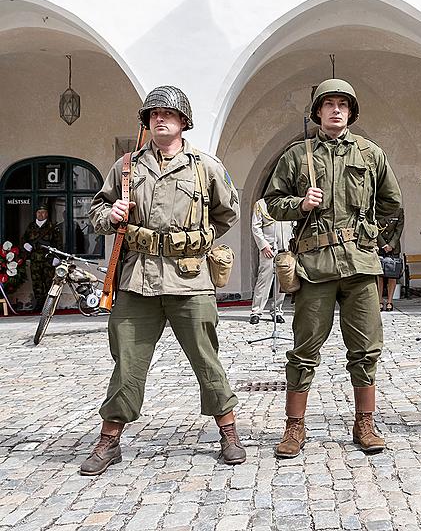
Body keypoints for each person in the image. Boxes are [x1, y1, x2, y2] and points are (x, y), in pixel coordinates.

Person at [85, 85, 245, 475]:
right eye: (153, 114)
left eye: (168, 114)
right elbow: (96, 213)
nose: (160, 119)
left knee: (207, 360)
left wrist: (194, 239)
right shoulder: (126, 167)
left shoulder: (204, 166)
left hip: (190, 279)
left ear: (183, 122)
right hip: (137, 281)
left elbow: (228, 212)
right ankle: (109, 439)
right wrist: (113, 214)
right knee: (127, 362)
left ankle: (229, 431)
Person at [264, 78, 402, 456]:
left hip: (359, 265)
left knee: (365, 348)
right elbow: (272, 203)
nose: (336, 110)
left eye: (343, 104)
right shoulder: (297, 155)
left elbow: (393, 204)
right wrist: (300, 205)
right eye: (329, 104)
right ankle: (294, 428)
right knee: (305, 348)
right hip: (314, 266)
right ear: (318, 112)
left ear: (352, 112)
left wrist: (370, 232)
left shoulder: (371, 154)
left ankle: (365, 423)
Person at [250, 198, 294, 324]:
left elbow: (294, 225)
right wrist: (263, 245)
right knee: (264, 280)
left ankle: (277, 311)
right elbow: (256, 227)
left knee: (283, 281)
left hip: (286, 247)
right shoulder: (261, 204)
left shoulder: (288, 202)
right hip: (269, 248)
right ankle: (256, 311)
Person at [22, 202, 62, 310]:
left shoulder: (52, 227)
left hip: (48, 259)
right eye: (39, 212)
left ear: (47, 214)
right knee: (37, 283)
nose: (41, 214)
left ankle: (49, 305)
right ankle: (39, 304)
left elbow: (58, 244)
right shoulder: (31, 226)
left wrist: (56, 257)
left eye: (43, 212)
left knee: (49, 282)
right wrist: (25, 245)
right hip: (35, 259)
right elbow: (24, 239)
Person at [376, 206, 404, 311]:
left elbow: (399, 229)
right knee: (380, 275)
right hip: (379, 246)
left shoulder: (398, 210)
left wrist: (391, 245)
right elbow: (374, 227)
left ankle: (390, 301)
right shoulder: (377, 208)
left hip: (394, 247)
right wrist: (383, 244)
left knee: (392, 274)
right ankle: (379, 300)